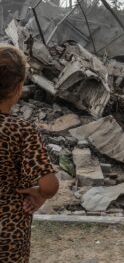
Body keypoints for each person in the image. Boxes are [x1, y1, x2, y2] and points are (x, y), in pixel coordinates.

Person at [0, 44, 59, 263]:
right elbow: (49, 186)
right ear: (18, 86)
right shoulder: (22, 130)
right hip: (8, 234)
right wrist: (39, 194)